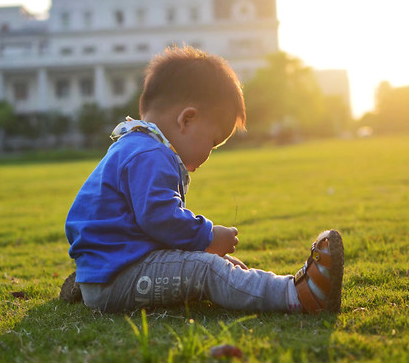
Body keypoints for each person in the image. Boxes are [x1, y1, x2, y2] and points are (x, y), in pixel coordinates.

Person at [60, 46, 344, 314]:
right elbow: (159, 219)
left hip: (109, 268)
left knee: (210, 263)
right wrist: (207, 236)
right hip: (118, 276)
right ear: (187, 120)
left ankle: (87, 284)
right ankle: (299, 295)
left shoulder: (134, 146)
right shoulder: (151, 154)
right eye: (213, 141)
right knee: (206, 270)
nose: (210, 153)